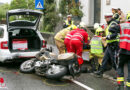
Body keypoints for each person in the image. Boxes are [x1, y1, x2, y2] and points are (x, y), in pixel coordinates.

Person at [94, 13, 119, 77]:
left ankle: (118, 74)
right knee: (105, 59)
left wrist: (106, 38)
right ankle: (100, 72)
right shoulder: (110, 24)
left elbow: (115, 34)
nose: (105, 20)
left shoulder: (113, 24)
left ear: (109, 18)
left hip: (114, 44)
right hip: (110, 44)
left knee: (114, 60)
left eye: (106, 18)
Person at [112, 11, 130, 90]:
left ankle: (120, 86)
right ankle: (128, 87)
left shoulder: (122, 25)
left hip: (123, 50)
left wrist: (118, 22)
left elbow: (111, 29)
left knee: (120, 66)